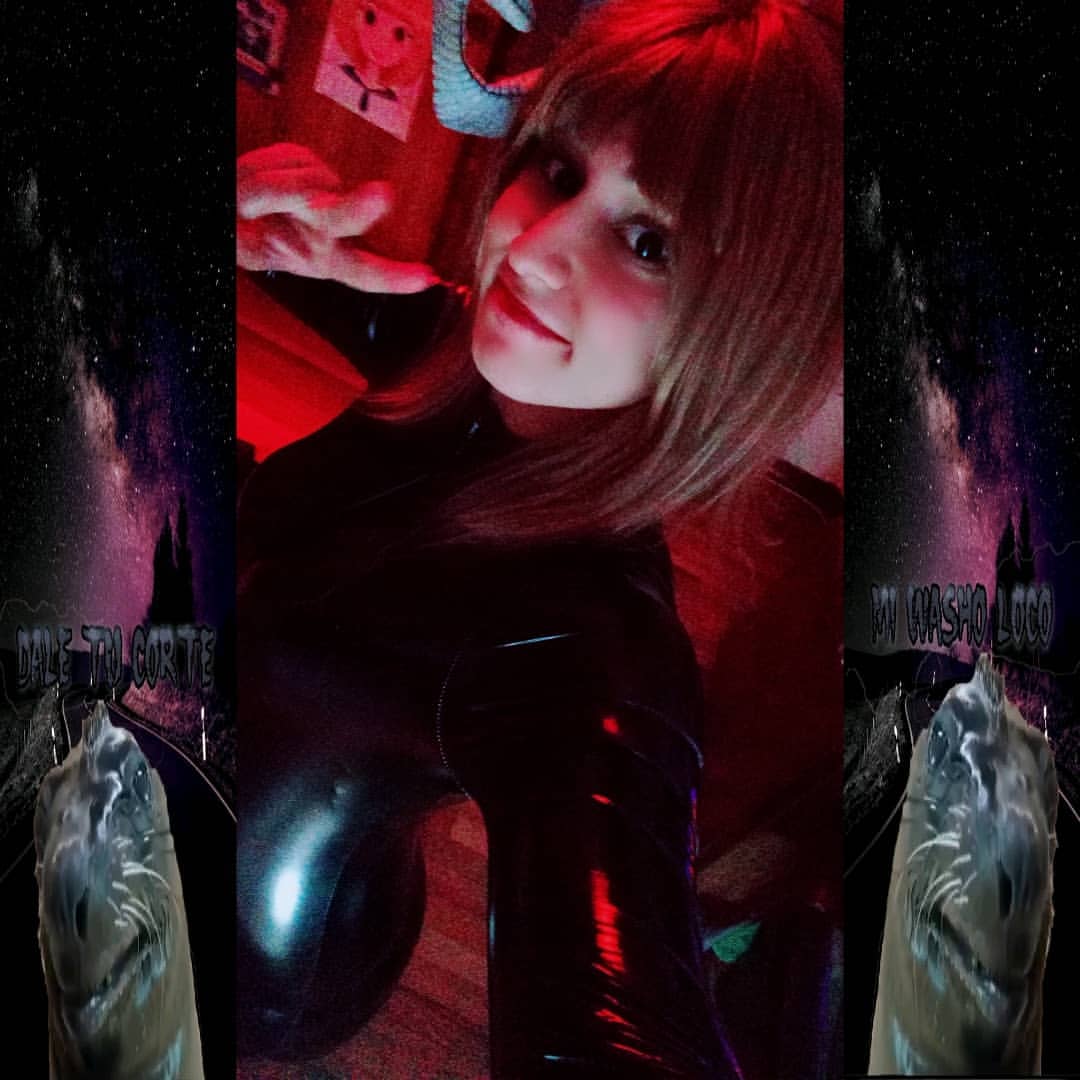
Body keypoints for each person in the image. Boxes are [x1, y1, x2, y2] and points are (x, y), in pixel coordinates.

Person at [235, 0, 842, 1075]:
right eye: (559, 171)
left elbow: (612, 1004)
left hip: (254, 962)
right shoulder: (457, 356)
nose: (534, 246)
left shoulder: (589, 649)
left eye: (648, 242)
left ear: (743, 336)